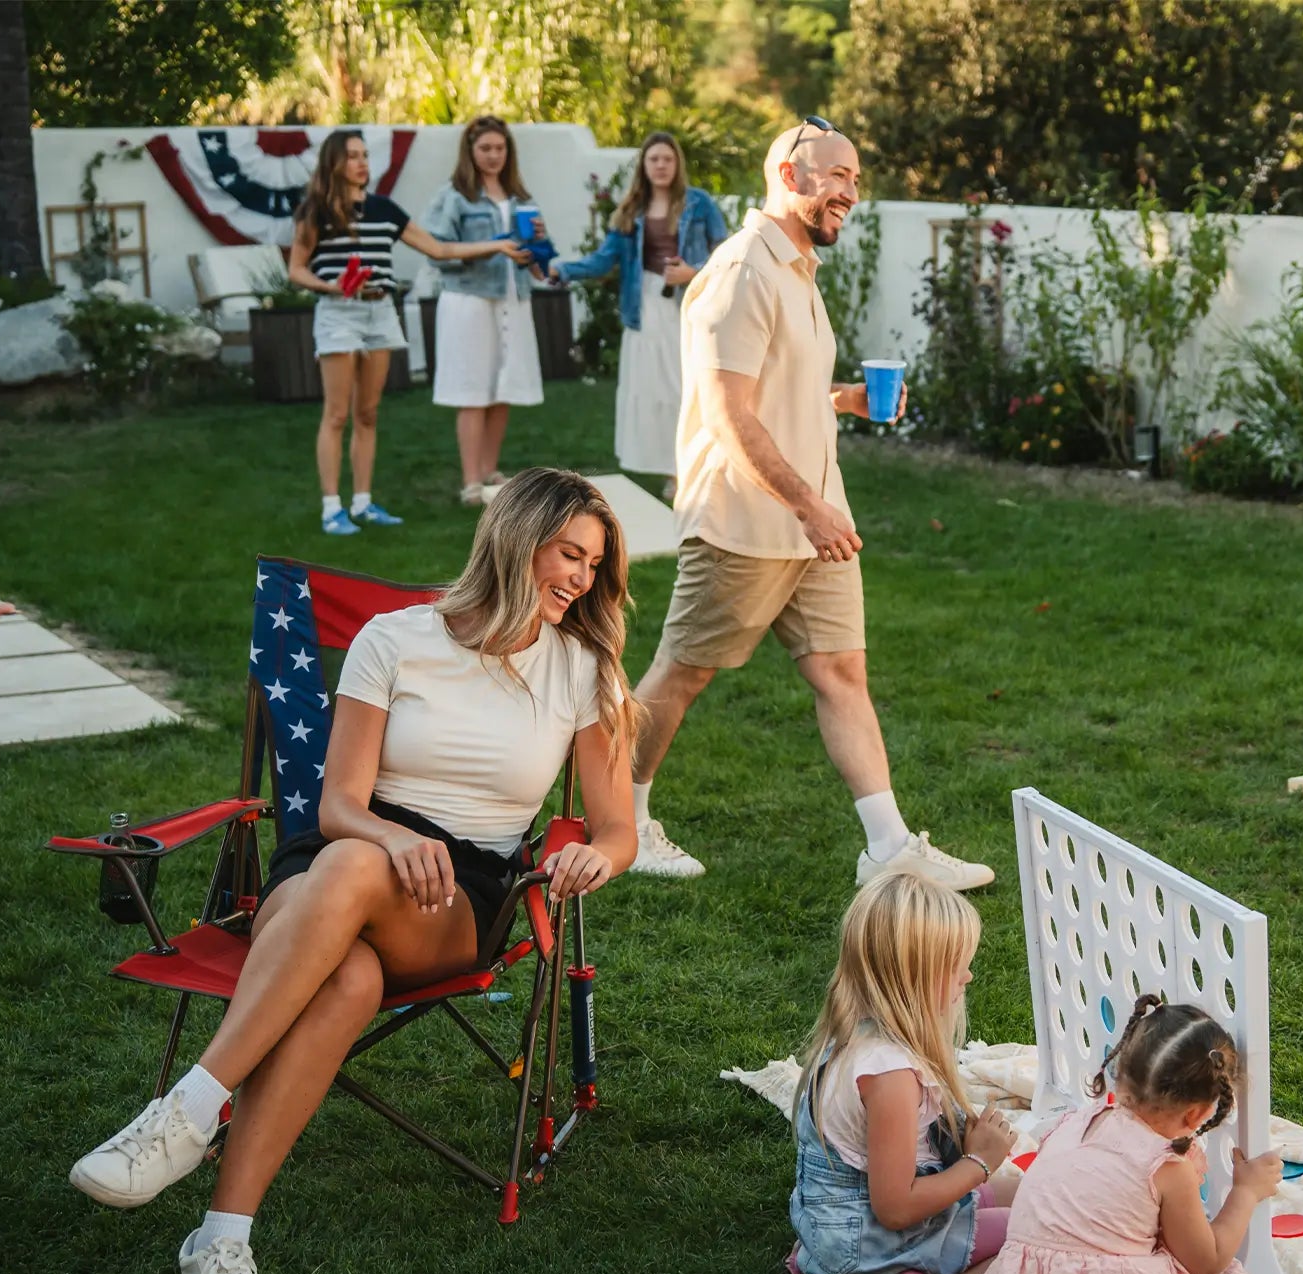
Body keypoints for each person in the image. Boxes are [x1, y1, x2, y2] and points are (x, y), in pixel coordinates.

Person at [67, 469, 639, 1274]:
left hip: (459, 894)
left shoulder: (582, 671)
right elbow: (337, 807)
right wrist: (388, 839)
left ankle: (187, 1110)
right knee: (347, 964)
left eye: (595, 565)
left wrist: (592, 855)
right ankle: (221, 1242)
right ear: (517, 540)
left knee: (352, 885)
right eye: (570, 553)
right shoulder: (395, 639)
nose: (582, 578)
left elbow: (616, 831)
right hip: (339, 857)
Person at [625, 119, 995, 891]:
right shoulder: (740, 273)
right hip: (748, 520)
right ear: (789, 177)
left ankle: (887, 847)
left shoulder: (796, 269)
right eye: (837, 176)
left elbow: (776, 394)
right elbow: (729, 415)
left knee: (839, 671)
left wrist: (845, 401)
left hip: (812, 525)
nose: (850, 193)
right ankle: (620, 819)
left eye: (857, 179)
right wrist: (808, 506)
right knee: (683, 673)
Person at [970, 994, 1280, 1274]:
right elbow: (1207, 1263)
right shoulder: (1167, 1166)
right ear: (1199, 1113)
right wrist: (1245, 1193)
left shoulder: (1082, 1119)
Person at [787, 871, 1021, 1274]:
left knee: (1036, 1195)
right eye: (958, 966)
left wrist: (962, 1143)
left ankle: (821, 1258)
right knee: (1045, 1232)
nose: (968, 976)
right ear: (915, 976)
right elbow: (895, 1208)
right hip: (865, 1246)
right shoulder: (891, 1076)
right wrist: (978, 1163)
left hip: (835, 1229)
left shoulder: (856, 1033)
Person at [289, 129, 470, 537]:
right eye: (352, 155)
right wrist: (330, 285)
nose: (362, 163)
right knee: (336, 414)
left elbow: (438, 250)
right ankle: (332, 508)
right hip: (338, 313)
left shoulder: (384, 209)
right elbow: (296, 269)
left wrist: (495, 245)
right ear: (334, 162)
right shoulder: (316, 211)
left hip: (380, 312)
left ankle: (364, 503)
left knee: (367, 413)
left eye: (365, 155)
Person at [551, 132, 728, 498]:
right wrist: (563, 270)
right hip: (643, 308)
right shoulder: (631, 211)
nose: (661, 165)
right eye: (653, 160)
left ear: (677, 163)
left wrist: (693, 272)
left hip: (687, 305)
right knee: (652, 389)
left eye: (667, 158)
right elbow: (603, 259)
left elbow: (728, 255)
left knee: (684, 387)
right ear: (644, 167)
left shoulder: (699, 204)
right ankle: (668, 468)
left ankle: (689, 468)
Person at [423, 117, 549, 507]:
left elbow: (538, 264)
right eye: (486, 149)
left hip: (513, 296)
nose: (494, 156)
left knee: (503, 388)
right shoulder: (454, 196)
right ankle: (470, 482)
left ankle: (490, 471)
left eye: (500, 149)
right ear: (471, 152)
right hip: (470, 300)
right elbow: (436, 248)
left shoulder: (520, 197)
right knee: (472, 390)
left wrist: (539, 245)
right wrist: (492, 247)